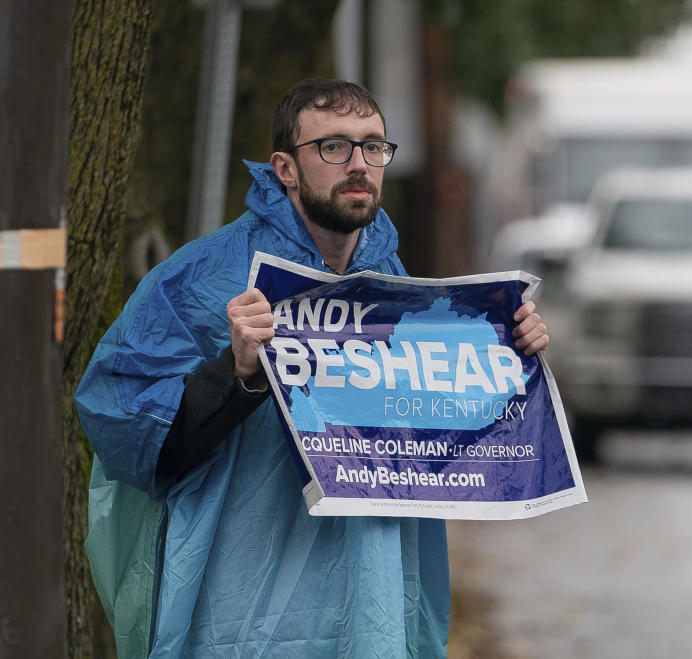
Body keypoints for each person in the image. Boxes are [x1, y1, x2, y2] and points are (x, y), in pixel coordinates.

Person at [75, 78, 549, 658]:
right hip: (236, 610)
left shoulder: (396, 286)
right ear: (285, 168)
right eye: (334, 147)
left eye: (374, 146)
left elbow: (443, 436)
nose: (359, 164)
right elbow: (119, 419)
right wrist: (239, 372)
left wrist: (510, 356)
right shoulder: (203, 278)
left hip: (367, 603)